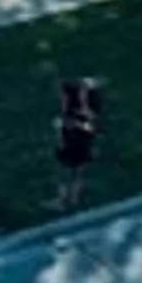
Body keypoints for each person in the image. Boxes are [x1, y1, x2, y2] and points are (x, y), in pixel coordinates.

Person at [54, 74, 108, 210]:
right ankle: (66, 199)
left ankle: (70, 199)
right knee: (68, 171)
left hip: (78, 142)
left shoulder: (88, 108)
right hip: (72, 140)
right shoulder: (74, 105)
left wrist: (70, 125)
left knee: (73, 171)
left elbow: (90, 127)